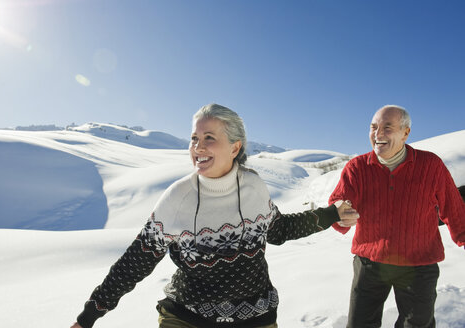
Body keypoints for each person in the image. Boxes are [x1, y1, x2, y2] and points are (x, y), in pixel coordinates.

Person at [71, 103, 359, 328]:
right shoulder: (177, 198)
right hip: (187, 317)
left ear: (236, 147)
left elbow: (280, 230)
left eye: (209, 137)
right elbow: (135, 262)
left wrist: (331, 214)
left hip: (256, 317)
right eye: (194, 138)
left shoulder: (254, 187)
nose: (198, 146)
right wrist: (88, 318)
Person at [329, 105, 465, 328]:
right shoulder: (357, 167)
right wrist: (340, 213)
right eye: (373, 127)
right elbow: (340, 201)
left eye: (387, 127)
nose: (378, 134)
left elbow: (454, 207)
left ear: (406, 133)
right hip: (370, 264)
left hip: (419, 265)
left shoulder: (431, 165)